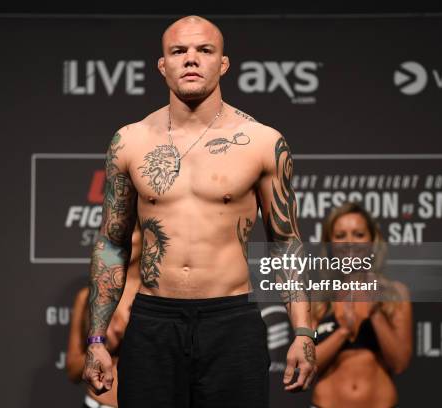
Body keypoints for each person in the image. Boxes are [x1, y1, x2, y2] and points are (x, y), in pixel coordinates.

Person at [82, 15, 317, 407]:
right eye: (179, 51)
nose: (191, 59)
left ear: (223, 63)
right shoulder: (130, 141)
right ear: (163, 65)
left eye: (204, 50)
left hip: (232, 320)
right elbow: (112, 243)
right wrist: (96, 338)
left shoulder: (262, 142)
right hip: (154, 321)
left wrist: (304, 332)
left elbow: (286, 243)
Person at [311, 202, 412, 408]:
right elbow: (308, 365)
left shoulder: (394, 294)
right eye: (340, 236)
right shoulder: (317, 297)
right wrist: (344, 331)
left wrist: (374, 313)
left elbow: (399, 363)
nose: (350, 242)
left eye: (358, 234)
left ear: (372, 241)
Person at [67, 227, 141, 407]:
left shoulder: (158, 298)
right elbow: (73, 370)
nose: (122, 239)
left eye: (131, 230)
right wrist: (101, 345)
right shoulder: (87, 296)